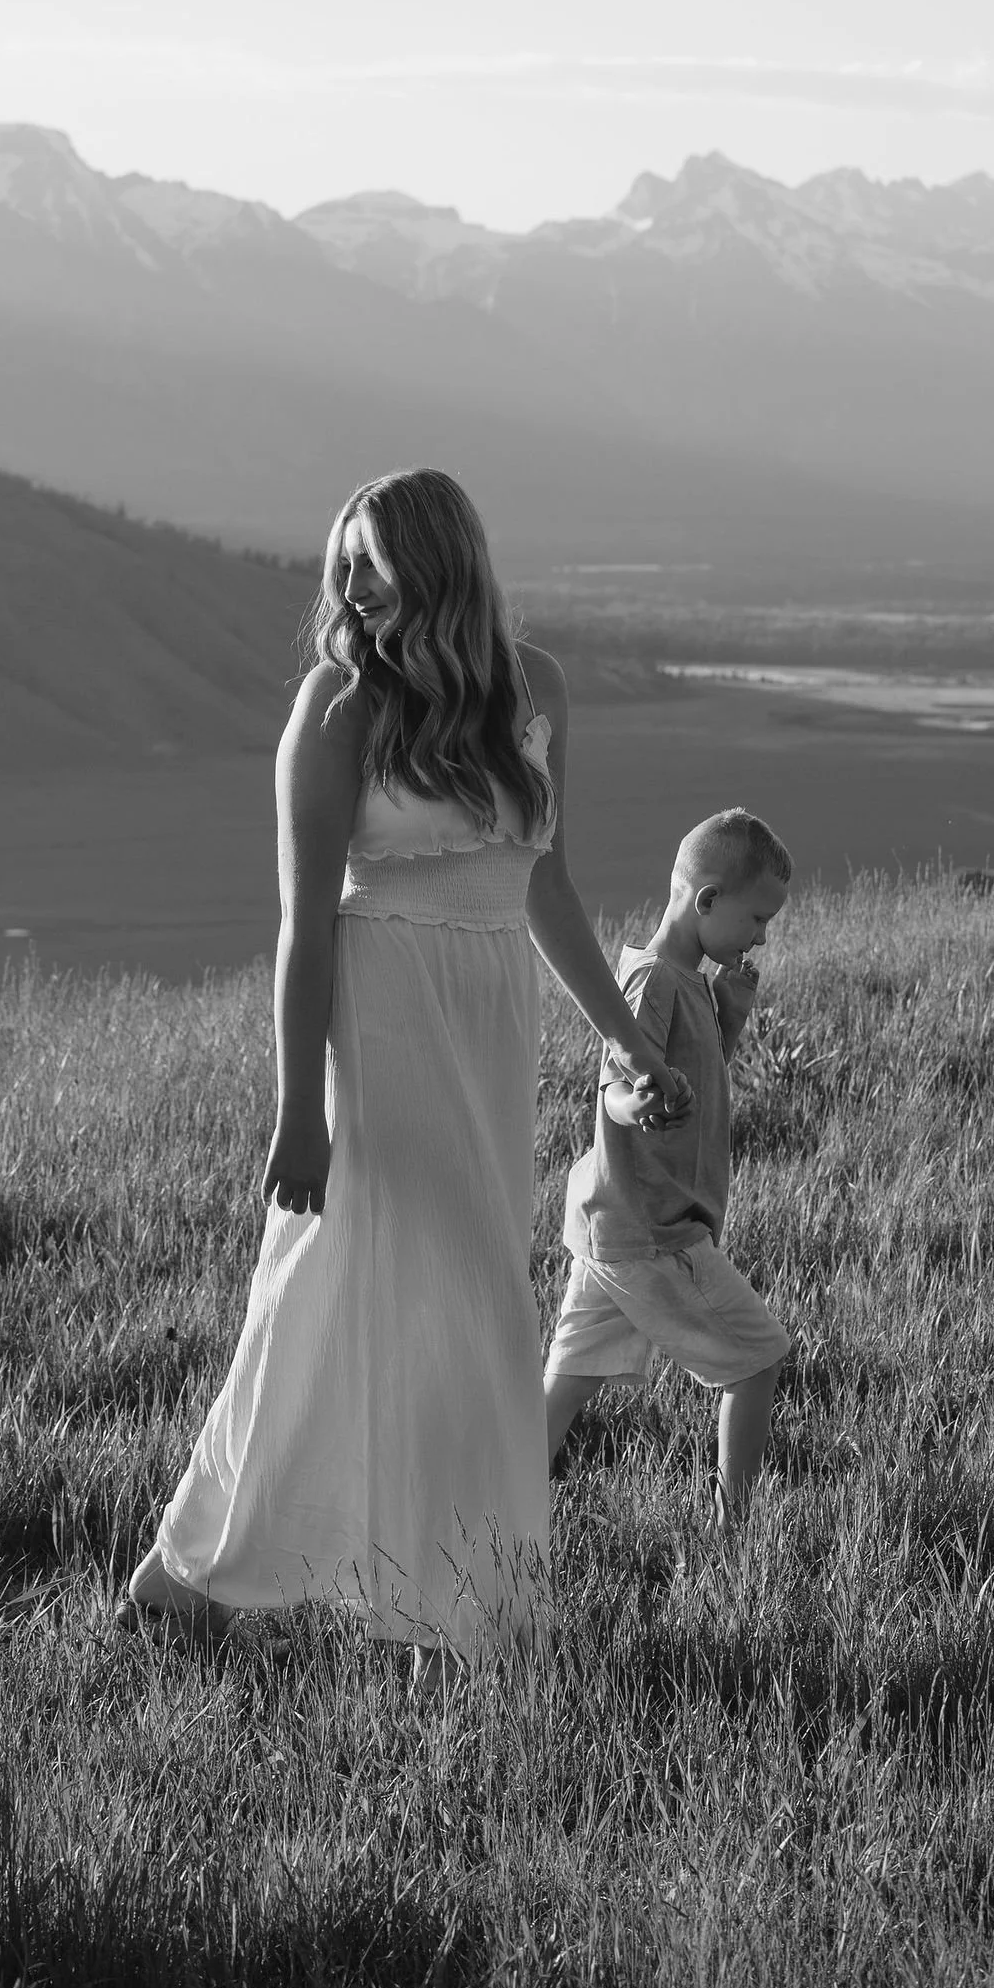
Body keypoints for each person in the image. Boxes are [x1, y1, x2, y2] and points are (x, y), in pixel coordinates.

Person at [122, 467, 691, 1660]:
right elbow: (303, 922)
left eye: (372, 560)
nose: (349, 584)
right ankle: (417, 1604)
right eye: (344, 563)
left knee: (429, 1294)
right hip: (375, 1022)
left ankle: (400, 1587)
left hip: (485, 1020)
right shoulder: (335, 707)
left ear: (440, 561)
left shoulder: (536, 690)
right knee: (406, 1299)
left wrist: (625, 1038)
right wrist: (297, 1114)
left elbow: (541, 880)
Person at [543, 808, 793, 1524]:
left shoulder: (687, 983)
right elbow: (615, 1087)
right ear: (706, 900)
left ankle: (492, 1516)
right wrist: (634, 1106)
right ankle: (731, 1535)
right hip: (656, 1226)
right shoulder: (653, 982)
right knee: (756, 1360)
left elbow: (697, 1082)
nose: (761, 937)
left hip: (612, 1222)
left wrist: (729, 1020)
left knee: (565, 1390)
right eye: (756, 918)